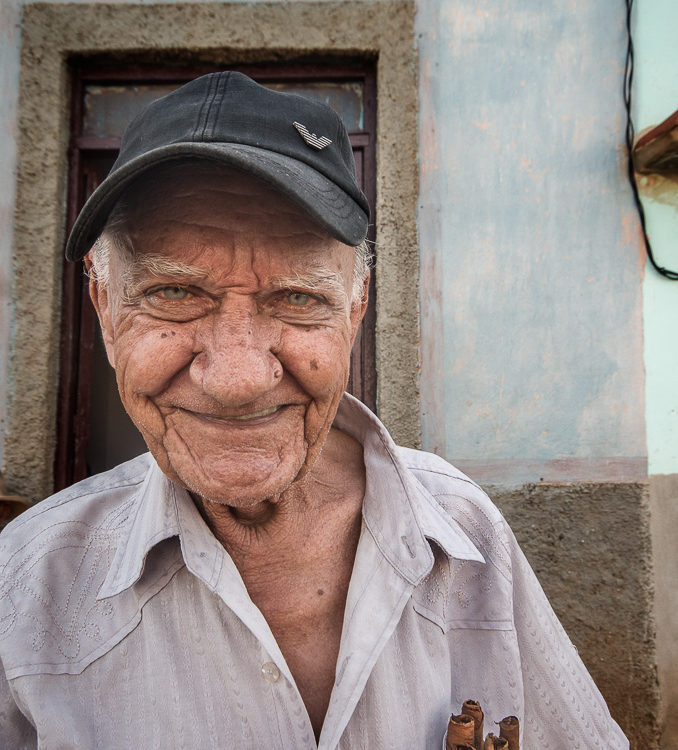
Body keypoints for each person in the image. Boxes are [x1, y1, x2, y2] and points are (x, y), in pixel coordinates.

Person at [0, 71, 627, 749]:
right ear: (104, 309)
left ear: (354, 312)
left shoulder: (462, 531)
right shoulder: (27, 582)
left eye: (298, 298)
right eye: (174, 292)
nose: (238, 379)